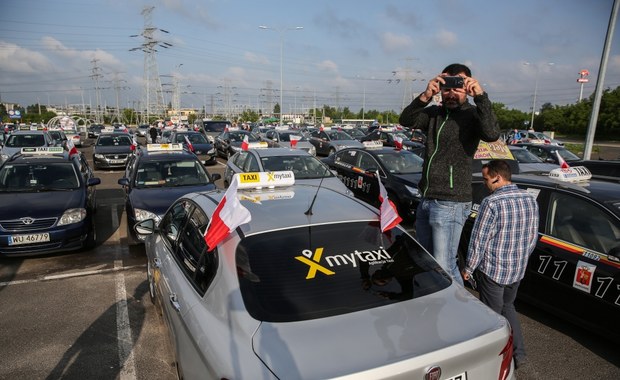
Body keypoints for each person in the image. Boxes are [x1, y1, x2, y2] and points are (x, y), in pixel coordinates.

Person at [399, 63, 500, 285]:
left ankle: (457, 312)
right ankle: (435, 302)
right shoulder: (434, 113)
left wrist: (481, 97)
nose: (452, 93)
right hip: (427, 197)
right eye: (447, 87)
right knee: (427, 259)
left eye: (459, 87)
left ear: (468, 88)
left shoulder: (473, 114)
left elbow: (492, 134)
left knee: (445, 265)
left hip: (451, 202)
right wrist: (426, 94)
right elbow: (405, 120)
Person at [461, 159, 539, 369]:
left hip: (493, 272)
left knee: (492, 319)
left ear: (497, 177)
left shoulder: (491, 203)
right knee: (508, 307)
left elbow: (479, 240)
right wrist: (521, 258)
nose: (485, 183)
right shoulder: (529, 199)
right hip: (517, 270)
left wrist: (468, 269)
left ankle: (494, 361)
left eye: (486, 179)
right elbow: (533, 237)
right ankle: (519, 354)